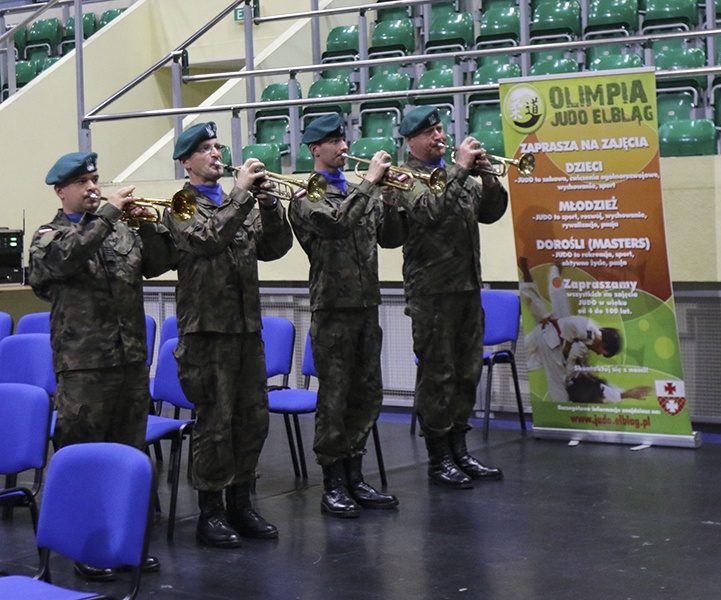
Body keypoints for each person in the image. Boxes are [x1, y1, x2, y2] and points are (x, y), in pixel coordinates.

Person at [29, 151, 176, 581]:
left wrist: (147, 224)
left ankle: (126, 540)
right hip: (83, 367)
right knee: (84, 455)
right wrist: (109, 212)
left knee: (130, 454)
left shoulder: (116, 231)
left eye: (95, 179)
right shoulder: (49, 235)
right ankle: (85, 545)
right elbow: (64, 260)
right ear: (62, 191)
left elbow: (159, 263)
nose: (93, 187)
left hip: (130, 362)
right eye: (83, 182)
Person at [165, 122, 293, 548]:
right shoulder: (181, 204)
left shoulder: (241, 203)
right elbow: (205, 240)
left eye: (218, 147)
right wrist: (240, 195)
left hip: (245, 328)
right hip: (206, 333)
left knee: (251, 420)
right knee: (214, 425)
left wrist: (270, 205)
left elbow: (274, 249)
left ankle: (241, 502)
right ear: (186, 162)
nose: (216, 154)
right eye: (205, 149)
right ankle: (210, 511)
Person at [288, 114, 405, 518]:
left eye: (343, 138)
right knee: (334, 397)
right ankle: (333, 482)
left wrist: (389, 198)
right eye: (333, 141)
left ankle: (356, 475)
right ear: (314, 149)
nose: (343, 146)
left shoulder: (362, 192)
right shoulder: (306, 197)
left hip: (366, 306)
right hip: (333, 309)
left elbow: (391, 239)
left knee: (366, 392)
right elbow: (337, 225)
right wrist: (371, 184)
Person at [393, 105, 508, 489]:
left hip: (466, 288)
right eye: (430, 133)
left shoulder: (455, 177)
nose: (440, 137)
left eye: (441, 130)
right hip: (432, 294)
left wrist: (489, 178)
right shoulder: (404, 177)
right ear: (411, 141)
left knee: (466, 373)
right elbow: (429, 211)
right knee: (438, 375)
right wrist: (459, 168)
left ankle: (460, 448)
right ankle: (438, 457)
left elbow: (489, 213)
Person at [518, 257, 652, 405]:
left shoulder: (585, 346)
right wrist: (569, 347)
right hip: (551, 342)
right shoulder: (587, 329)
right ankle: (541, 271)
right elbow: (565, 313)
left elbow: (596, 384)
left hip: (550, 337)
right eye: (602, 351)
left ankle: (549, 271)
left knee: (550, 303)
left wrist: (625, 394)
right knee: (558, 389)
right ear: (604, 342)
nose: (599, 353)